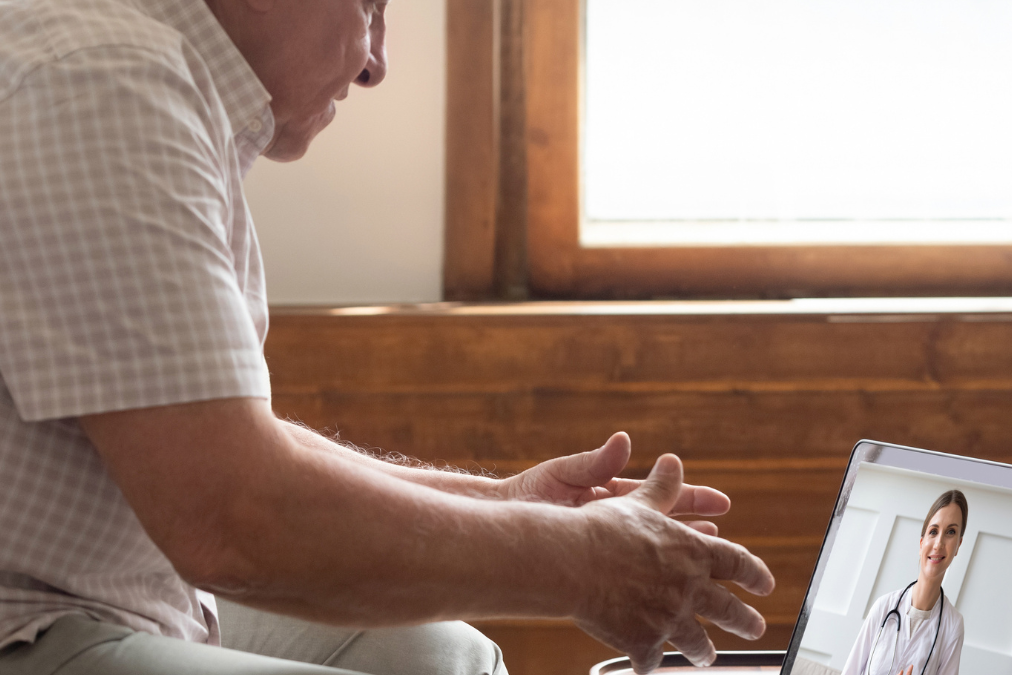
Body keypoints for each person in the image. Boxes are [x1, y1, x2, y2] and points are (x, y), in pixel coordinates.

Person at [0, 1, 776, 674]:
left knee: (442, 656)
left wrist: (504, 501)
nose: (377, 63)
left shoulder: (142, 75)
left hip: (110, 591)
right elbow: (233, 516)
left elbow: (225, 440)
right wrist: (582, 563)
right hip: (27, 619)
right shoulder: (103, 82)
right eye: (369, 5)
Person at [841, 491, 967, 675]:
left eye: (950, 532)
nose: (939, 543)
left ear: (958, 546)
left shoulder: (953, 625)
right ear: (921, 543)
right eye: (933, 531)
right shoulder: (883, 607)